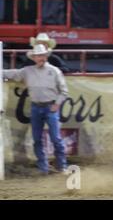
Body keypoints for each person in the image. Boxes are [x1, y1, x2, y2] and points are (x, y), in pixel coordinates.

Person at [4, 44, 69, 175]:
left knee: (56, 138)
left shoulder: (55, 71)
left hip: (50, 107)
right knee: (37, 139)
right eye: (38, 56)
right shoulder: (27, 71)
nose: (41, 58)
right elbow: (10, 73)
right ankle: (43, 168)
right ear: (34, 58)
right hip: (36, 107)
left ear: (46, 56)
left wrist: (57, 104)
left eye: (43, 55)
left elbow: (64, 91)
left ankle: (62, 166)